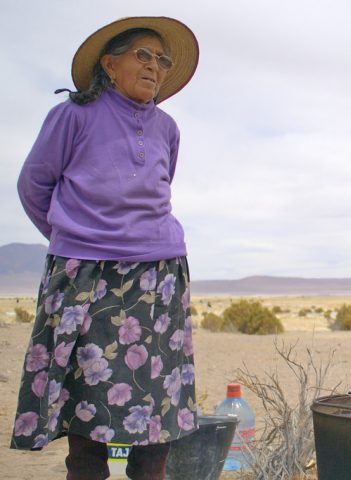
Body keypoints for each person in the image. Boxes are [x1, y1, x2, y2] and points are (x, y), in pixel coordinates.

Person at [11, 16, 200, 480]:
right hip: (87, 275)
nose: (154, 66)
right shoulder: (72, 115)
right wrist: (75, 235)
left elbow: (160, 188)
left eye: (162, 60)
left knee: (156, 403)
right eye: (143, 54)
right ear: (110, 65)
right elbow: (34, 185)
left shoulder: (167, 128)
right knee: (88, 400)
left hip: (158, 278)